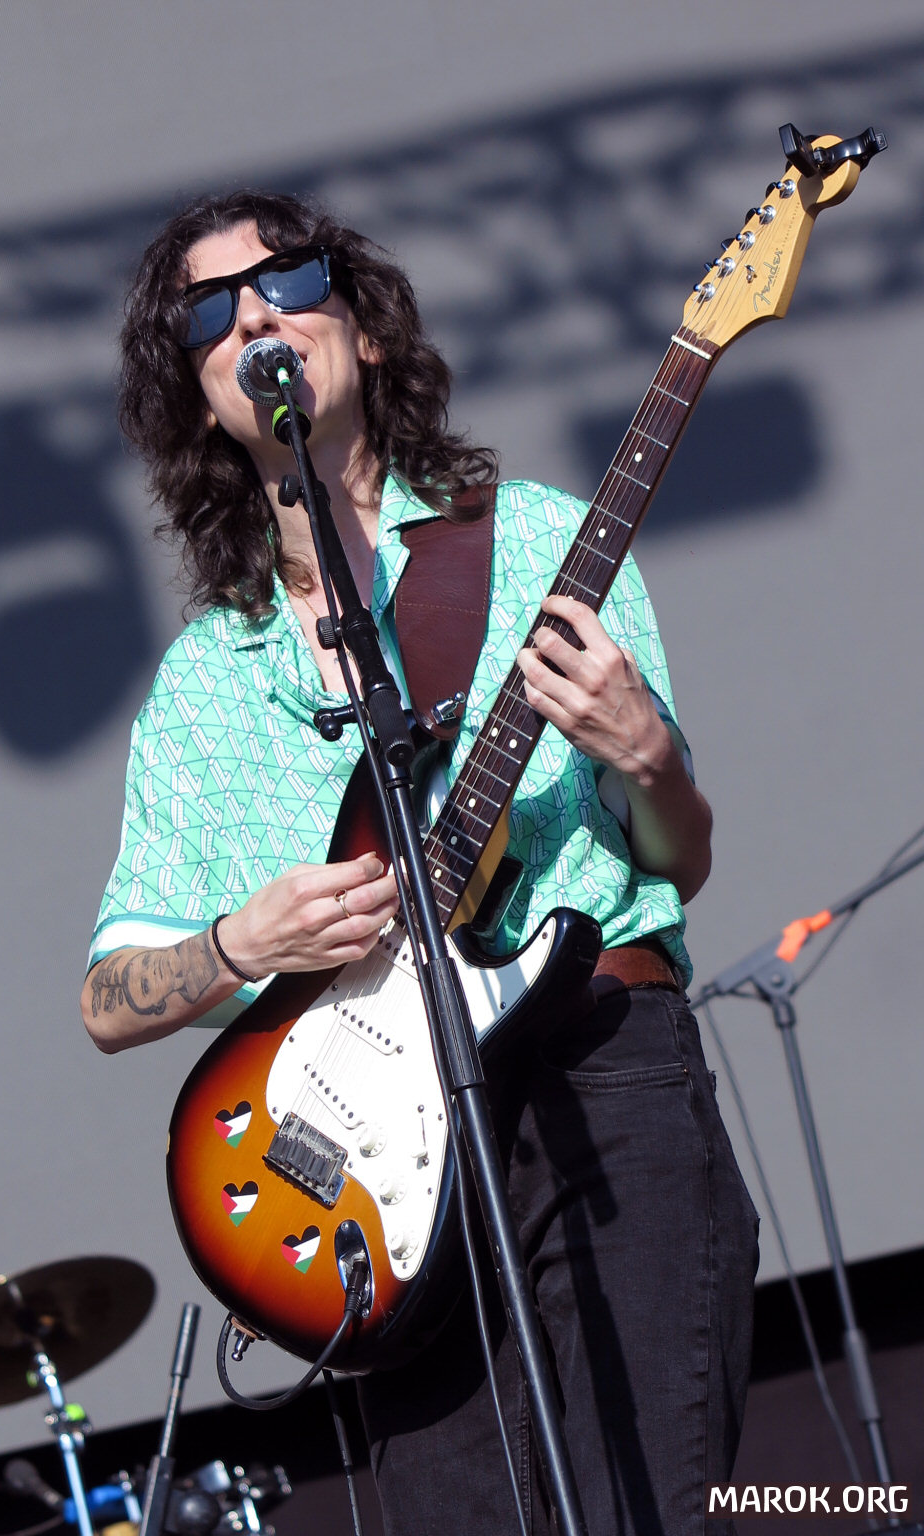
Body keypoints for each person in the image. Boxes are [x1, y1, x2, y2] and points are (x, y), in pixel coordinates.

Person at [82, 189, 758, 1535]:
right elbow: (107, 1001)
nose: (257, 317)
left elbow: (676, 864)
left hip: (600, 1073)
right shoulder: (208, 684)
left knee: (654, 1506)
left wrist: (645, 755)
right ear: (199, 398)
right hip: (373, 1180)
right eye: (211, 312)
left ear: (369, 331)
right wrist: (243, 945)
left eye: (291, 281)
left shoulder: (543, 542)